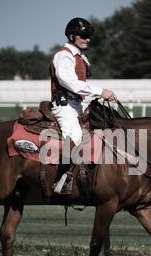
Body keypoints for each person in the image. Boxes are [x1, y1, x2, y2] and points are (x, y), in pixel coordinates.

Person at [50, 17, 117, 194]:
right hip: (64, 107)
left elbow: (79, 88)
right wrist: (100, 91)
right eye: (83, 36)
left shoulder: (80, 57)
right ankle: (61, 180)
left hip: (77, 104)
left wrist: (98, 98)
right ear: (72, 37)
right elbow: (69, 82)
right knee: (76, 136)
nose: (88, 39)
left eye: (88, 36)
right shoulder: (63, 56)